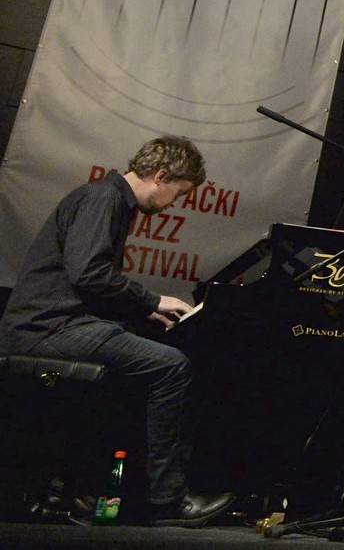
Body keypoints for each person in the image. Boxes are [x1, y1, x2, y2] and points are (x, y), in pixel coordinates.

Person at [0, 135, 235, 527]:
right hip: (44, 328)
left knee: (149, 361)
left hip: (55, 323)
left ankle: (104, 490)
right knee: (172, 367)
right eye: (178, 193)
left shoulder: (108, 201)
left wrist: (142, 314)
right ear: (161, 176)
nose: (175, 204)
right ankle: (167, 500)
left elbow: (81, 283)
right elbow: (89, 274)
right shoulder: (103, 199)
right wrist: (151, 301)